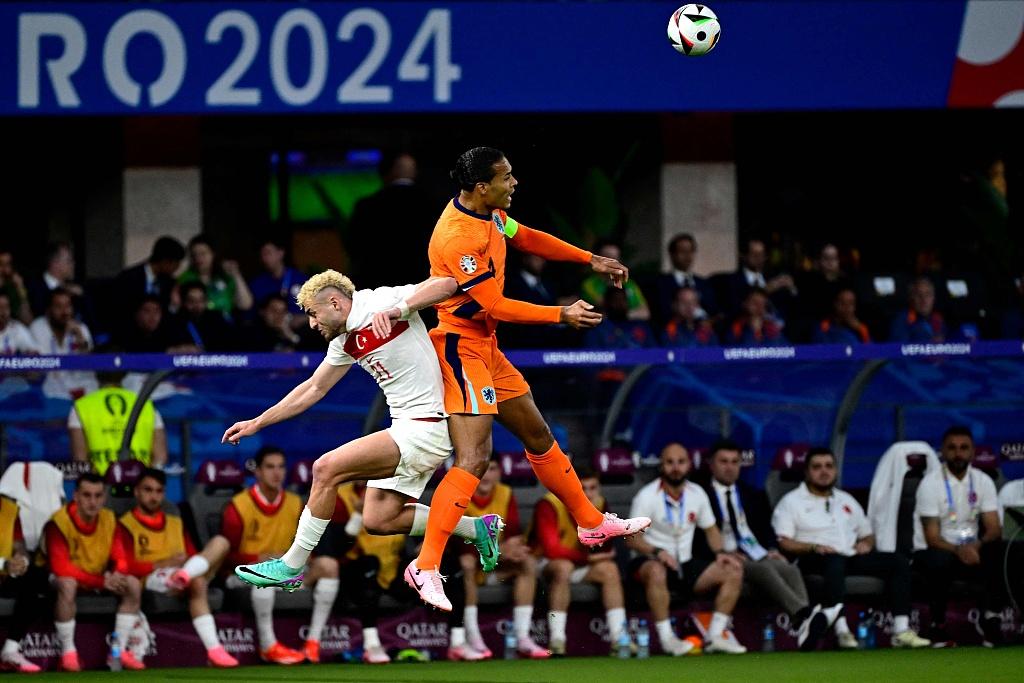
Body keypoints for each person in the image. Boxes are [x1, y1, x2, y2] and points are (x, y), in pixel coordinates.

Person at [404, 147, 651, 611]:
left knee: (538, 435)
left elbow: (527, 237)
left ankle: (590, 521)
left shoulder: (493, 215)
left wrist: (589, 259)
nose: (514, 182)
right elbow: (495, 305)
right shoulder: (456, 237)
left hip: (487, 347)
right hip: (460, 348)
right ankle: (426, 565)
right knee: (474, 459)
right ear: (482, 187)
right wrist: (561, 313)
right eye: (506, 177)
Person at [223, 272, 503, 607]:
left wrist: (400, 309)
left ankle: (292, 565)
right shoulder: (343, 341)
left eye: (313, 314)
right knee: (379, 519)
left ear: (334, 302)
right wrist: (257, 422)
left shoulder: (379, 301)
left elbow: (447, 285)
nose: (311, 324)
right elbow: (314, 388)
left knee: (325, 469)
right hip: (409, 427)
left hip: (427, 426)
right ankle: (476, 529)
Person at [771, 447, 930, 649]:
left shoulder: (846, 500)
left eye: (829, 466)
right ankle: (842, 630)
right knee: (835, 561)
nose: (824, 471)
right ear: (807, 472)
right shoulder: (791, 501)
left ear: (836, 470)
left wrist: (866, 544)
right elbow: (784, 541)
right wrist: (813, 547)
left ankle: (901, 629)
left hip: (849, 555)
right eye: (817, 467)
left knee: (898, 561)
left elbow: (867, 533)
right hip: (812, 557)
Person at [699, 440, 824, 651]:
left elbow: (767, 530)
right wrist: (723, 553)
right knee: (763, 569)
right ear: (711, 464)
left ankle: (803, 626)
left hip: (755, 553)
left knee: (789, 569)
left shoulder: (752, 494)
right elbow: (698, 536)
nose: (730, 467)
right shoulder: (700, 494)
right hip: (722, 557)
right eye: (724, 462)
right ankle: (804, 615)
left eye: (735, 462)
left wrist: (773, 550)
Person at [626, 443, 747, 655]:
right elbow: (631, 539)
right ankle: (667, 639)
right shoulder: (646, 496)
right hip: (650, 561)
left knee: (733, 569)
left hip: (685, 563)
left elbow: (711, 530)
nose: (676, 468)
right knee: (656, 570)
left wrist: (720, 554)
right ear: (661, 466)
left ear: (689, 465)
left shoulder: (697, 493)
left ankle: (715, 636)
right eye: (670, 462)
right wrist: (657, 552)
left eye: (681, 462)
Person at [116, 468, 238, 667]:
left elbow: (191, 553)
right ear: (137, 492)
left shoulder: (175, 521)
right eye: (148, 490)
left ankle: (185, 574)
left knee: (221, 542)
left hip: (184, 572)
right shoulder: (126, 524)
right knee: (198, 583)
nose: (154, 496)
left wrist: (183, 564)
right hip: (153, 577)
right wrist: (166, 563)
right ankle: (214, 649)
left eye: (159, 491)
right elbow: (128, 567)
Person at [40, 473, 145, 671]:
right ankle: (68, 653)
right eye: (87, 495)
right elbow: (61, 567)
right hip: (61, 577)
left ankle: (118, 652)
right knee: (67, 584)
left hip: (97, 576)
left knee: (132, 584)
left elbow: (121, 556)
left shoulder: (109, 519)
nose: (93, 502)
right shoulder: (58, 522)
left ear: (104, 497)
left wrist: (117, 573)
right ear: (76, 496)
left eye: (98, 496)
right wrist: (101, 582)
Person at [913, 426, 1005, 647]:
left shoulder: (982, 481)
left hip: (971, 548)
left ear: (972, 452)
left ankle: (991, 618)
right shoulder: (930, 484)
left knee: (1000, 550)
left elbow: (994, 528)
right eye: (952, 448)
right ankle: (938, 624)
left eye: (964, 448)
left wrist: (977, 545)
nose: (958, 453)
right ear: (943, 452)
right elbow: (932, 537)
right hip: (936, 550)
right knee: (939, 560)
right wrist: (959, 550)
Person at [219, 446, 305, 665]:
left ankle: (313, 643)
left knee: (327, 568)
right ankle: (268, 646)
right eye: (270, 467)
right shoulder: (239, 506)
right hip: (243, 574)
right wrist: (259, 557)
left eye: (281, 467)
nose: (277, 473)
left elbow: (307, 547)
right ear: (257, 471)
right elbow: (227, 556)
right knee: (263, 578)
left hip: (286, 572)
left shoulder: (296, 503)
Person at [530, 467, 627, 656]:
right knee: (563, 567)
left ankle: (620, 639)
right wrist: (589, 558)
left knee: (610, 570)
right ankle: (557, 640)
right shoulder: (549, 504)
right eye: (583, 489)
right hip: (543, 563)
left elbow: (605, 549)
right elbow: (552, 550)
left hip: (579, 565)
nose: (589, 494)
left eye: (593, 488)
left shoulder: (600, 504)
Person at [302, 481, 402, 664]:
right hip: (353, 571)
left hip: (393, 567)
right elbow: (336, 549)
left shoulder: (397, 491)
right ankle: (372, 644)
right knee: (369, 566)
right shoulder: (340, 498)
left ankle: (457, 641)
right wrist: (357, 515)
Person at [459, 456, 549, 659]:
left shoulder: (505, 493)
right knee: (467, 563)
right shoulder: (461, 496)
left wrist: (510, 549)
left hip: (497, 563)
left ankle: (522, 637)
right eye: (482, 469)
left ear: (499, 473)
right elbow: (460, 543)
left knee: (527, 562)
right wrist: (498, 549)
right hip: (470, 562)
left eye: (492, 469)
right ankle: (473, 635)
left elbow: (514, 535)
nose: (486, 476)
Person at [348, 152, 437, 289]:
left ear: (385, 172)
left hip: (377, 282)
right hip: (423, 284)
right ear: (414, 172)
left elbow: (354, 246)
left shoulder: (367, 205)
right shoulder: (434, 204)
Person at [69, 367, 167, 476]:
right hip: (139, 481)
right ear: (124, 373)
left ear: (95, 373)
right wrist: (146, 481)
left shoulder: (81, 406)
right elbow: (160, 456)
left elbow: (80, 458)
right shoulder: (147, 405)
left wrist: (96, 482)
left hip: (101, 482)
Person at [0, 493, 47, 672]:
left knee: (38, 578)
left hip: (5, 576)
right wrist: (4, 564)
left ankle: (10, 650)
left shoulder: (9, 509)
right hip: (3, 568)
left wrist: (22, 561)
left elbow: (19, 545)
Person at [177, 234, 253, 318]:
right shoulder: (186, 278)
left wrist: (236, 275)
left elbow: (245, 305)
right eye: (194, 254)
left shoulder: (225, 276)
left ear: (213, 253)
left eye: (203, 253)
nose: (198, 258)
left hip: (223, 323)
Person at [724, 238, 796, 318]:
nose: (758, 258)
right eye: (754, 254)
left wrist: (792, 288)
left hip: (777, 322)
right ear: (743, 256)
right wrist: (765, 290)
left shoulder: (773, 277)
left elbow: (793, 308)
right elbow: (734, 309)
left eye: (762, 254)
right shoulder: (732, 280)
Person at [655, 233, 717, 325]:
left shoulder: (704, 283)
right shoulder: (660, 283)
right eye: (682, 251)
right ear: (672, 254)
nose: (687, 256)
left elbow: (714, 311)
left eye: (691, 251)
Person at [581, 240, 651, 321]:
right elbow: (606, 305)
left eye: (615, 258)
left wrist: (623, 316)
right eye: (608, 258)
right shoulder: (589, 284)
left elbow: (645, 312)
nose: (613, 262)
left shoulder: (629, 284)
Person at [114, 236, 186, 313]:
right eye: (176, 264)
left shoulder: (170, 283)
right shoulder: (129, 278)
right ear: (165, 261)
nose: (177, 268)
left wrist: (174, 306)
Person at [248, 237, 308, 321]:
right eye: (262, 254)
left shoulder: (300, 278)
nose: (264, 258)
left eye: (267, 253)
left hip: (298, 327)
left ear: (280, 253)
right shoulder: (257, 283)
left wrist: (304, 318)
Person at [167, 281, 236, 352]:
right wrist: (181, 349)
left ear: (206, 301)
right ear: (184, 302)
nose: (197, 305)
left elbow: (230, 344)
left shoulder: (217, 319)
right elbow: (167, 349)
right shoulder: (176, 322)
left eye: (201, 300)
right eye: (191, 300)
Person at [584, 287, 656, 350]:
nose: (620, 304)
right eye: (616, 300)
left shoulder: (641, 326)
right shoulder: (598, 331)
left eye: (623, 299)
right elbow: (593, 357)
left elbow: (655, 353)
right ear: (607, 303)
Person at [26, 242, 85, 319]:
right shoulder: (34, 288)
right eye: (69, 261)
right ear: (55, 263)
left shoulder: (76, 289)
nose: (73, 264)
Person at [889, 277, 947, 343]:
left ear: (933, 297)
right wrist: (929, 342)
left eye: (928, 294)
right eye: (918, 295)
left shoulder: (938, 319)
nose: (924, 300)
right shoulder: (901, 321)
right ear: (911, 298)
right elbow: (899, 347)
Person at [0, 291, 40, 355]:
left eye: (6, 307)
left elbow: (35, 352)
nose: (3, 311)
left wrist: (28, 353)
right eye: (0, 307)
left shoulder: (16, 328)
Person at [0, 247, 33, 325]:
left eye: (8, 264)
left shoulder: (14, 287)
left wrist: (20, 288)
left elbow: (28, 320)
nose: (5, 269)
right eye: (1, 264)